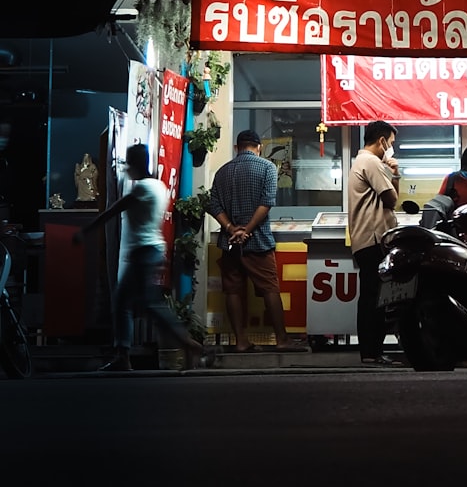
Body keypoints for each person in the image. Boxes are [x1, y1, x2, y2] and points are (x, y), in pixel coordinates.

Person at [74, 143, 207, 371]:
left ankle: (187, 344)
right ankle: (124, 355)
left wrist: (85, 231)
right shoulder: (158, 186)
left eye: (128, 163)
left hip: (143, 252)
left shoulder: (142, 189)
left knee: (146, 304)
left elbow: (112, 210)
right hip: (151, 250)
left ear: (134, 164)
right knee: (126, 303)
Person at [208, 129, 309, 354]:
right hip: (258, 241)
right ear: (259, 147)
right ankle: (281, 339)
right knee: (270, 289)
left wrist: (232, 229)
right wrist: (248, 230)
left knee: (233, 291)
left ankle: (241, 341)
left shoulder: (222, 172)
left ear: (237, 147)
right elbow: (267, 202)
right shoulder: (267, 167)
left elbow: (213, 205)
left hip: (230, 243)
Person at [346, 120, 405, 366]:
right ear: (381, 141)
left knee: (370, 297)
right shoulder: (372, 162)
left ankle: (370, 352)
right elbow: (392, 200)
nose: (391, 148)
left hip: (364, 239)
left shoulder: (360, 162)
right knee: (375, 299)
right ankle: (372, 352)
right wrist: (395, 171)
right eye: (390, 143)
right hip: (374, 239)